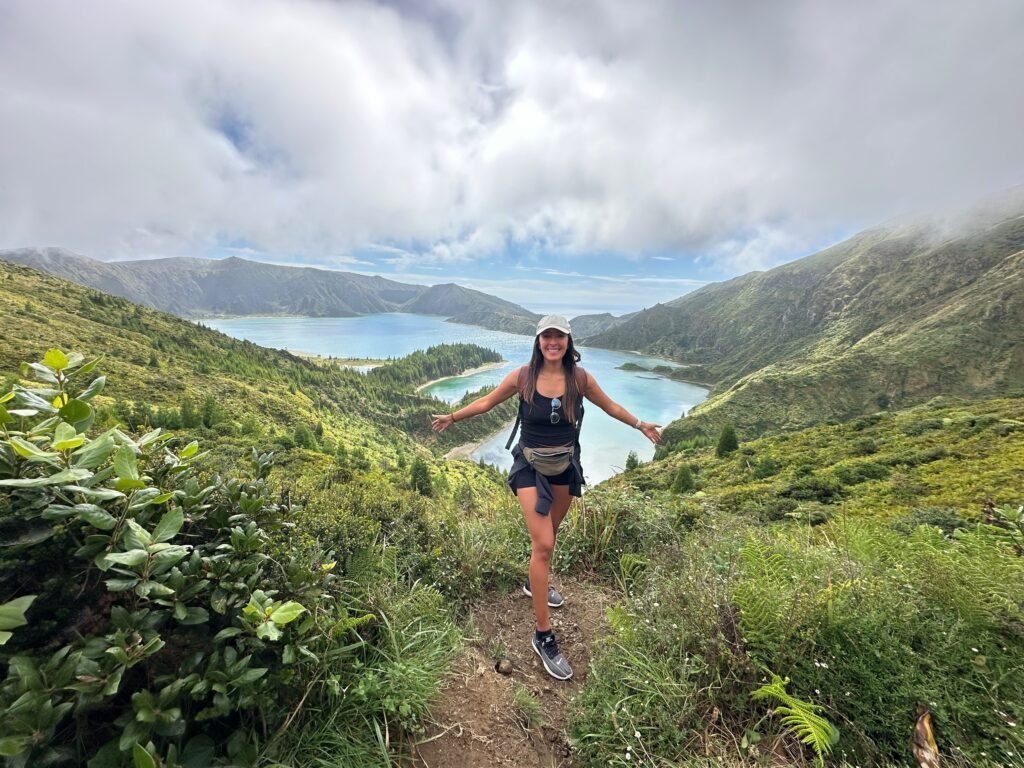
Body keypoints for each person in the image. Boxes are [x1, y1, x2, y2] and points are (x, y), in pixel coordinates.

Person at [431, 314, 662, 680]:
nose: (553, 342)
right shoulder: (523, 377)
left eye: (560, 336)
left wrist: (640, 425)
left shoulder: (580, 379)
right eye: (546, 336)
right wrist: (453, 417)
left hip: (565, 466)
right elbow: (487, 403)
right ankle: (543, 635)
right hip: (529, 466)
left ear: (569, 341)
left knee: (547, 540)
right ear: (538, 341)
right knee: (544, 544)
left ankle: (531, 583)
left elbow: (611, 406)